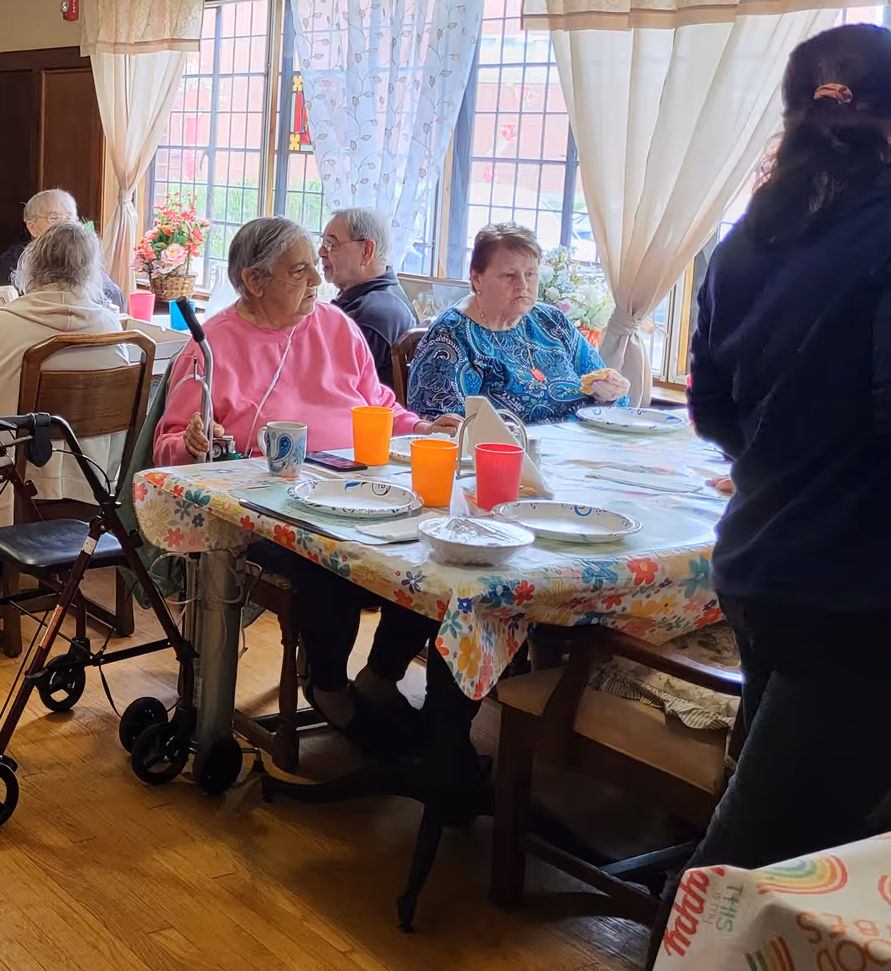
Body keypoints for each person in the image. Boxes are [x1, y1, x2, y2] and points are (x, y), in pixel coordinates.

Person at [623, 23, 891, 971]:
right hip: (857, 590)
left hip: (766, 564)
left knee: (779, 831)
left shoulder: (751, 240)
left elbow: (716, 411)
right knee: (754, 859)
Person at [153, 217, 454, 749]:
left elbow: (377, 405)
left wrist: (425, 428)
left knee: (432, 549)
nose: (318, 279)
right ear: (254, 280)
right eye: (300, 271)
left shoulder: (337, 326)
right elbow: (169, 444)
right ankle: (329, 685)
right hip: (268, 514)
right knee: (328, 564)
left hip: (357, 492)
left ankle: (380, 675)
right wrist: (193, 443)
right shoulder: (212, 346)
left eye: (316, 265)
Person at [0, 222, 136, 602]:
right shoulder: (109, 324)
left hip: (10, 478)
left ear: (31, 267)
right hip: (85, 474)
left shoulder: (3, 323)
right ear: (90, 270)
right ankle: (3, 571)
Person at [406, 222, 629, 424]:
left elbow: (606, 389)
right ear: (477, 279)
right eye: (509, 275)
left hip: (580, 451)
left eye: (530, 274)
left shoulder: (551, 321)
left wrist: (609, 393)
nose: (523, 285)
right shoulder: (452, 337)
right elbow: (445, 428)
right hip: (509, 460)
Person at [320, 207, 418, 392]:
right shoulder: (378, 299)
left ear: (367, 251)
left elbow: (330, 388)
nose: (321, 253)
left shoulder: (373, 315)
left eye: (331, 245)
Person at [0, 189, 125, 309]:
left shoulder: (83, 255)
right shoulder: (14, 259)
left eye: (69, 218)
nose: (64, 225)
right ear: (32, 227)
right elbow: (10, 303)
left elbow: (114, 296)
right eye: (54, 218)